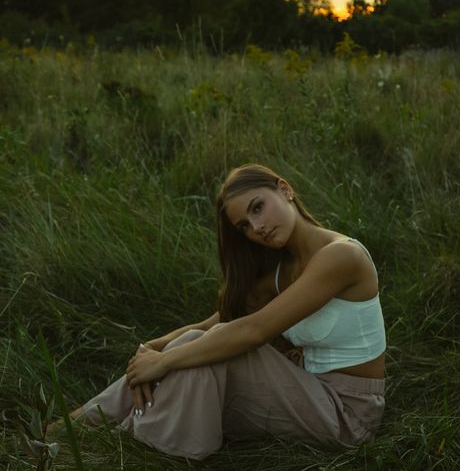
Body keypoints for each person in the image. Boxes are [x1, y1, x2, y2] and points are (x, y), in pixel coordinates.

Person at [50, 164, 386, 460]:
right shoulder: (282, 271)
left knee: (205, 352)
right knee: (199, 345)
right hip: (308, 388)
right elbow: (218, 321)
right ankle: (76, 428)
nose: (257, 227)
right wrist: (154, 347)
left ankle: (122, 439)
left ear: (284, 189)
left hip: (348, 414)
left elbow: (254, 331)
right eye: (244, 226)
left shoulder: (341, 257)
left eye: (259, 207)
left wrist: (165, 362)